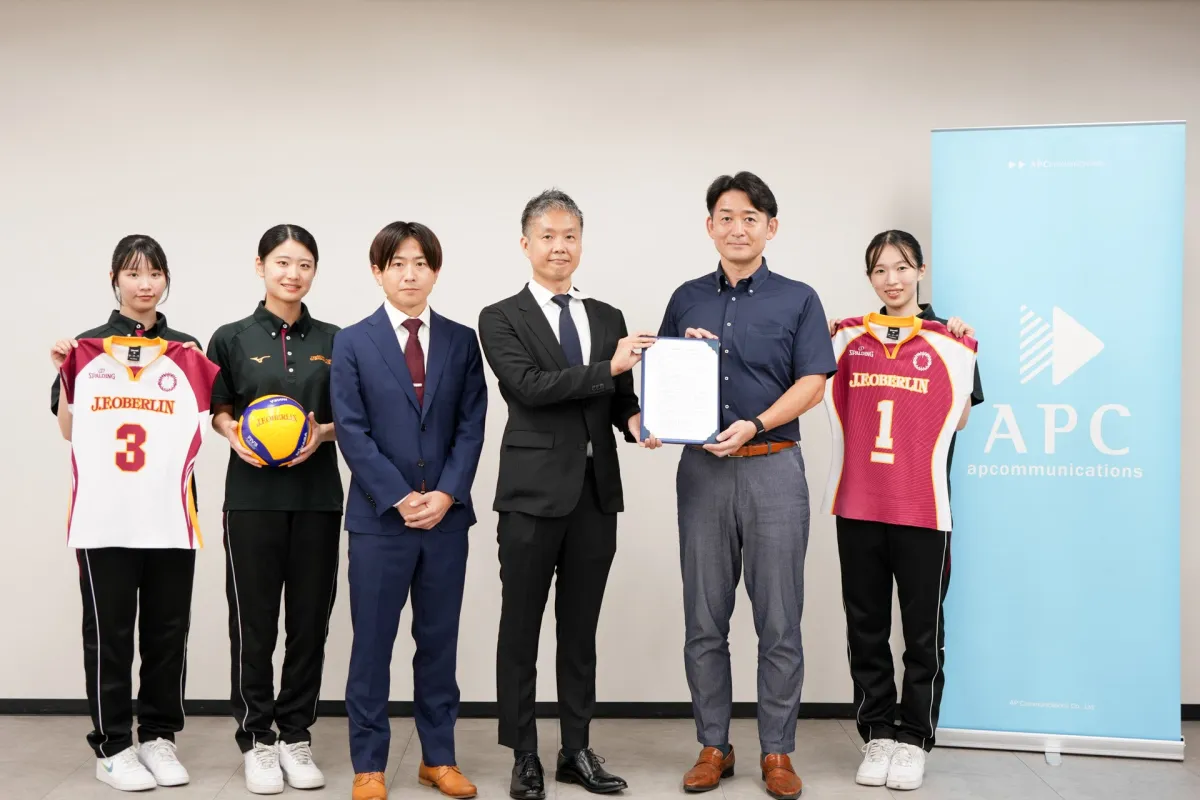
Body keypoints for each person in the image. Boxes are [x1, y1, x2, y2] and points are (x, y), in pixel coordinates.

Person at [654, 172, 836, 800]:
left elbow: (813, 384)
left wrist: (755, 423)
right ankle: (714, 746)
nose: (738, 228)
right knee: (704, 617)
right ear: (710, 226)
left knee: (780, 619)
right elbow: (664, 377)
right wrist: (660, 405)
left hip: (774, 467)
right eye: (726, 217)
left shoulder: (799, 299)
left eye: (750, 218)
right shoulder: (685, 299)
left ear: (771, 228)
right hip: (702, 472)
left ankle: (777, 752)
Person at [478, 189, 656, 800]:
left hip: (594, 496)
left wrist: (639, 423)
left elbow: (620, 400)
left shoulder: (606, 316)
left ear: (582, 242)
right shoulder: (500, 317)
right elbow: (529, 387)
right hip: (529, 496)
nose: (560, 246)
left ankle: (575, 749)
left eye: (570, 235)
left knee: (580, 632)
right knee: (520, 630)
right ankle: (523, 754)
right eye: (548, 236)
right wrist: (611, 369)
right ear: (525, 243)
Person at [48, 234, 213, 792]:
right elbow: (69, 431)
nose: (145, 284)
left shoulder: (187, 350)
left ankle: (159, 737)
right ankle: (113, 745)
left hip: (171, 514)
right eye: (134, 273)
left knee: (168, 631)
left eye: (155, 273)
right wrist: (66, 374)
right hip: (105, 516)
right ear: (114, 279)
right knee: (110, 633)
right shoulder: (85, 348)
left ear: (166, 280)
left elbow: (206, 421)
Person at [331, 222, 487, 800]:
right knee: (372, 644)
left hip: (445, 520)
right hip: (379, 521)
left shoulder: (462, 341)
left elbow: (471, 426)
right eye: (397, 263)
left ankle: (438, 757)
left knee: (438, 642)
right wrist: (399, 497)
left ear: (436, 271)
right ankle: (369, 764)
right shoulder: (353, 342)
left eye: (420, 263)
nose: (409, 274)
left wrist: (446, 494)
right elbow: (351, 431)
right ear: (378, 272)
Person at [825, 230, 983, 792]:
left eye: (901, 267)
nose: (891, 280)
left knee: (922, 630)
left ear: (920, 270)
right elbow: (807, 378)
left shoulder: (950, 340)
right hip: (859, 503)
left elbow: (960, 418)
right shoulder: (849, 340)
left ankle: (914, 738)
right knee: (865, 625)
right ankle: (878, 733)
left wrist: (958, 345)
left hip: (923, 508)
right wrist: (825, 337)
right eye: (879, 270)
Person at [205, 224, 342, 795]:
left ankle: (295, 735)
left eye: (304, 264)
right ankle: (257, 739)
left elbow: (352, 416)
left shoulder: (337, 339)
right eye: (282, 262)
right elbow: (218, 408)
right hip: (251, 499)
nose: (293, 273)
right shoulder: (230, 338)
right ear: (260, 266)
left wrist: (320, 434)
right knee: (254, 623)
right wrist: (233, 432)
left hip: (318, 499)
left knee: (309, 623)